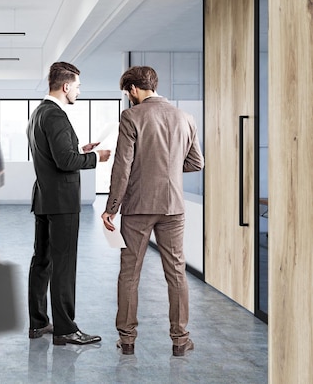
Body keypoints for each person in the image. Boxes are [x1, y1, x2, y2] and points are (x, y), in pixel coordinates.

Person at [101, 66, 204, 357]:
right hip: (173, 207)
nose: (128, 98)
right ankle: (181, 340)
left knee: (130, 273)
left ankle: (128, 339)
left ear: (133, 89)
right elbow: (197, 162)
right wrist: (168, 168)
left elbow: (122, 167)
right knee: (177, 273)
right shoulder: (186, 117)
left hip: (137, 207)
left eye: (127, 93)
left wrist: (111, 208)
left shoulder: (132, 116)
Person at [27, 61, 111, 346]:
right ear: (66, 86)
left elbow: (57, 155)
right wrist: (95, 158)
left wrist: (79, 150)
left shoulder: (38, 113)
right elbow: (65, 162)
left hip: (44, 199)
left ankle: (38, 324)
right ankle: (65, 329)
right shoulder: (57, 116)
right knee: (63, 265)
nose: (78, 90)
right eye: (77, 86)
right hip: (62, 203)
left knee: (42, 262)